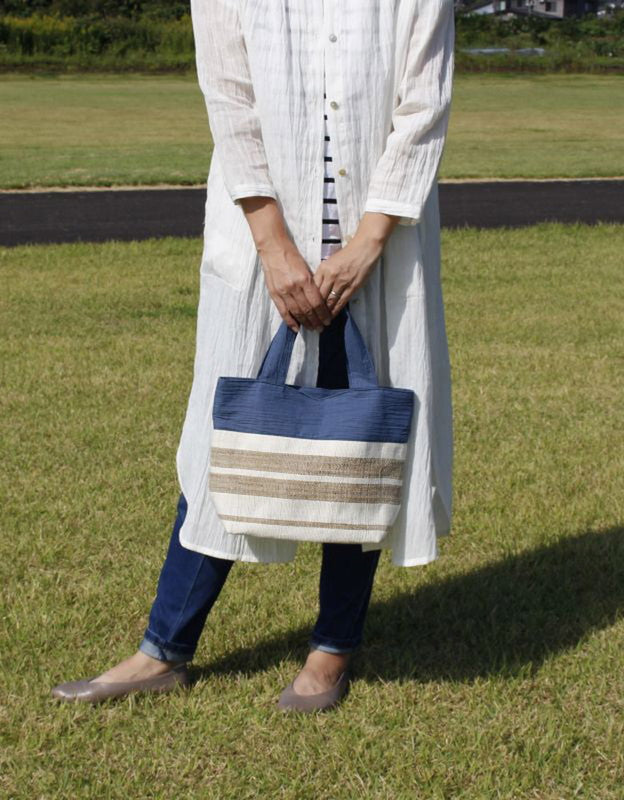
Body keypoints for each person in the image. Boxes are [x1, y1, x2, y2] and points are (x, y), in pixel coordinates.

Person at [51, 0, 455, 712]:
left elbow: (422, 108)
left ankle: (331, 653)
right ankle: (163, 650)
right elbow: (231, 101)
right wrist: (275, 249)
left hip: (379, 256)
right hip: (261, 246)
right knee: (224, 442)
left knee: (359, 450)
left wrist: (364, 246)